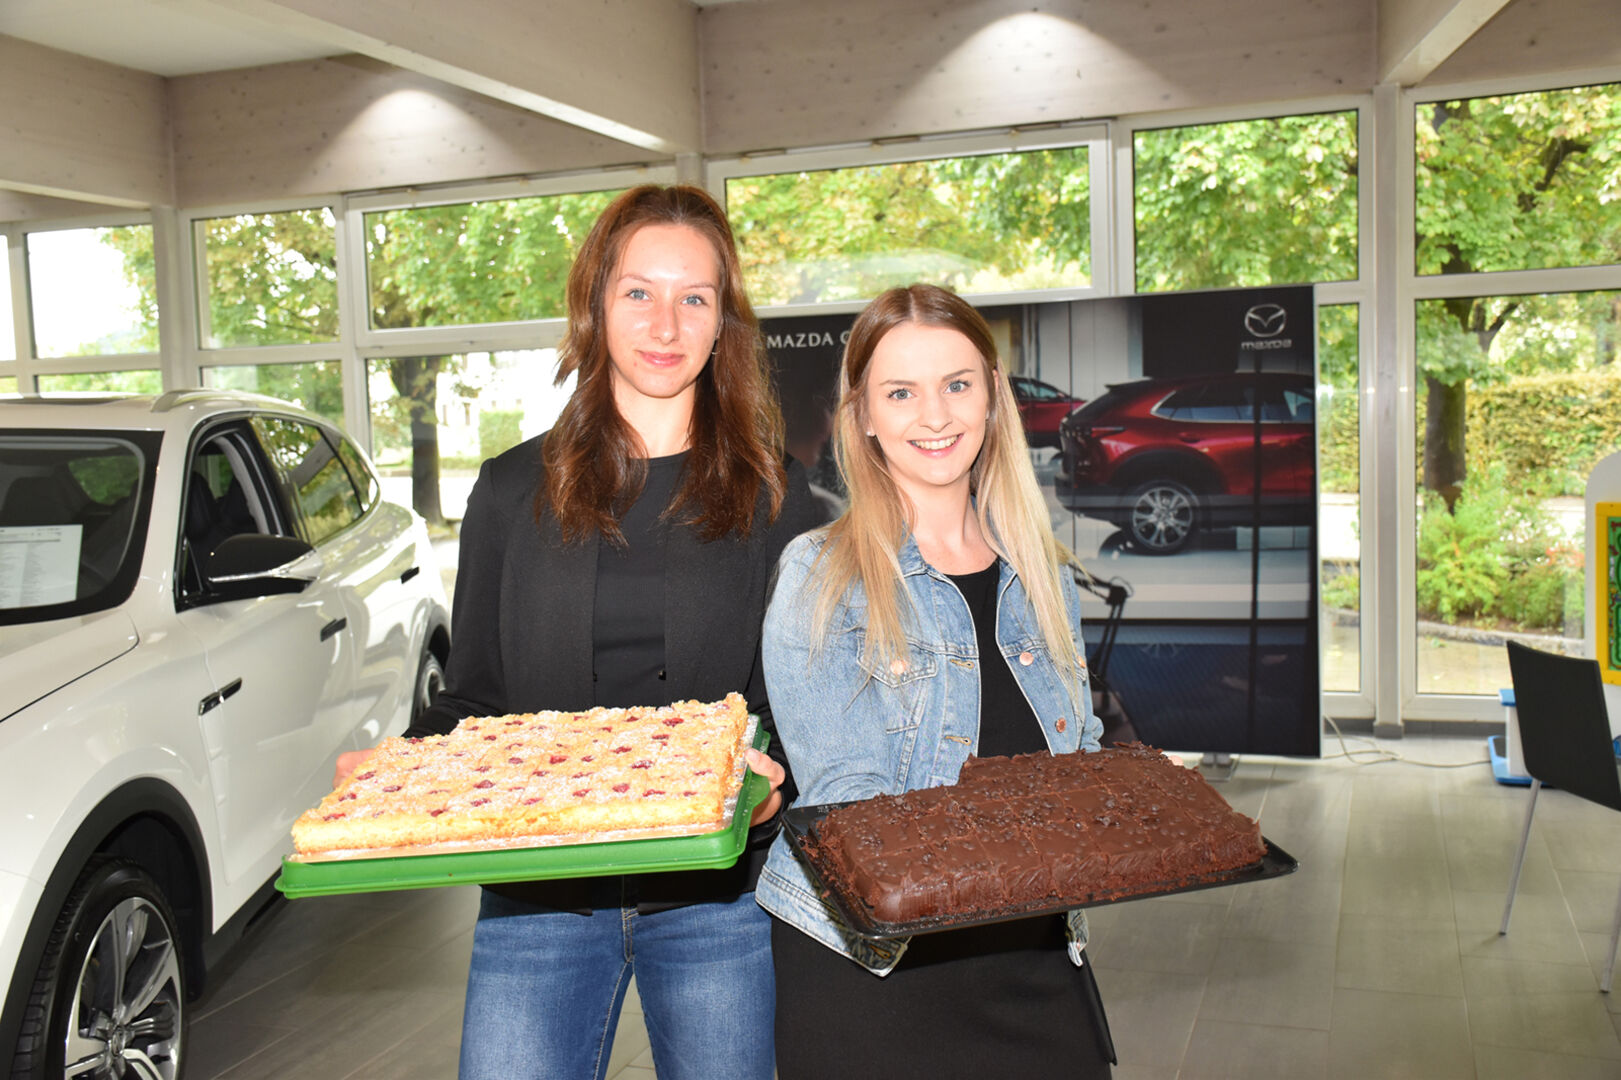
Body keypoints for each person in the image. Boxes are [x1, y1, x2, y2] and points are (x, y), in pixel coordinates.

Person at [337, 185, 821, 1080]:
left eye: (694, 298)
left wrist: (769, 784)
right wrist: (399, 771)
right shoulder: (508, 492)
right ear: (595, 304)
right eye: (638, 292)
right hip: (539, 896)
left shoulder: (779, 502)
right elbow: (475, 700)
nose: (664, 324)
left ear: (723, 323)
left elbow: (797, 710)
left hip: (715, 894)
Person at [756, 283, 1115, 1078]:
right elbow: (848, 806)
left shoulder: (1040, 571)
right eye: (900, 392)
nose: (934, 415)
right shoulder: (821, 574)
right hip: (878, 975)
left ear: (991, 396)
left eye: (956, 384)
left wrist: (1135, 809)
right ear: (862, 415)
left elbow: (1078, 754)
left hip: (1033, 956)